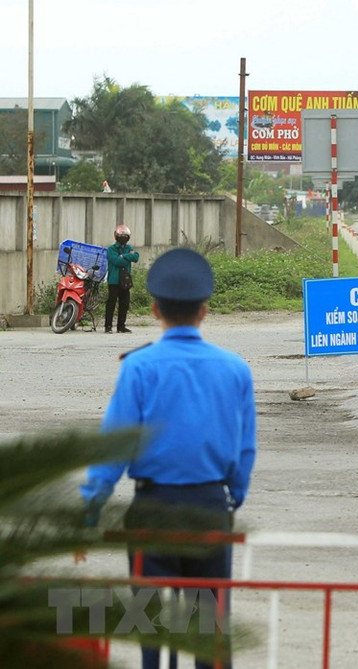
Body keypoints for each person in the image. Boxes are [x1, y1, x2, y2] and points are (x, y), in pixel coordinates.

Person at [80, 248, 258, 669]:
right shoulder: (235, 369)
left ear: (155, 309)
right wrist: (232, 495)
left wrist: (90, 509)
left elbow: (115, 445)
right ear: (205, 310)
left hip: (153, 509)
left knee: (150, 622)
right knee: (209, 624)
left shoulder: (139, 367)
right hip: (209, 507)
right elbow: (244, 446)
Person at [105, 224, 140, 334]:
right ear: (116, 237)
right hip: (114, 280)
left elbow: (136, 257)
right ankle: (108, 326)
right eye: (121, 236)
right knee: (111, 304)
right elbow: (117, 261)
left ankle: (121, 326)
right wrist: (127, 257)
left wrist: (123, 256)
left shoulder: (129, 248)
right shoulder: (111, 249)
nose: (123, 238)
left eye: (125, 236)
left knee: (124, 304)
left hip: (125, 280)